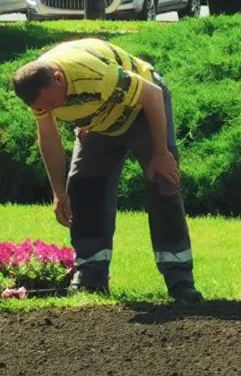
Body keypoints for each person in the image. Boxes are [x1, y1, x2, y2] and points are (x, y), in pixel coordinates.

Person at [11, 38, 201, 303]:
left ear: (58, 78)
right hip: (99, 124)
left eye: (56, 103)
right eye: (47, 107)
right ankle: (90, 277)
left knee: (163, 182)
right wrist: (58, 191)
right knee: (83, 186)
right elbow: (49, 136)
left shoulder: (95, 73)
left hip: (143, 111)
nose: (54, 110)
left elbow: (152, 95)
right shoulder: (39, 92)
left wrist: (160, 153)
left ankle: (180, 280)